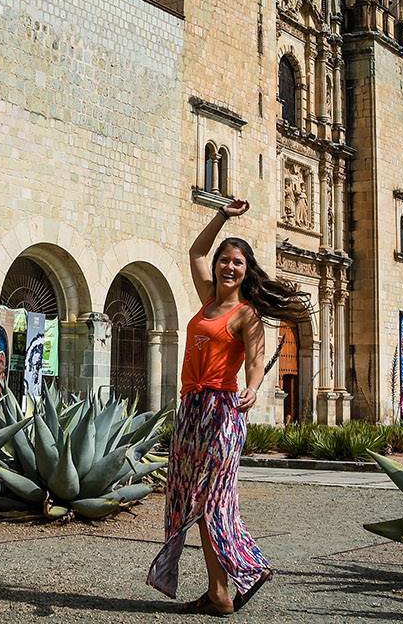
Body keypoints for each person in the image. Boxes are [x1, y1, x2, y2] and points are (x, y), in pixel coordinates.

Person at [147, 197, 311, 615]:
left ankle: (241, 573)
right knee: (188, 500)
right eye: (225, 260)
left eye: (238, 262)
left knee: (211, 500)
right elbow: (195, 251)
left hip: (222, 411)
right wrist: (222, 215)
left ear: (245, 270)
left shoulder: (246, 314)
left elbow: (255, 362)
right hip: (191, 409)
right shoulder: (206, 299)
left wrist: (254, 389)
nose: (229, 267)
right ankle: (220, 593)